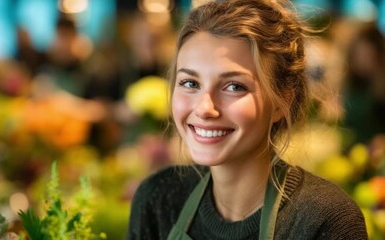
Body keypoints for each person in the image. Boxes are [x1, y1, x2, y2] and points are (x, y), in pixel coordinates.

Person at [126, 0, 368, 239]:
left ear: (281, 102)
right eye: (190, 83)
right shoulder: (158, 199)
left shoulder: (325, 219)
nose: (204, 108)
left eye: (234, 86)